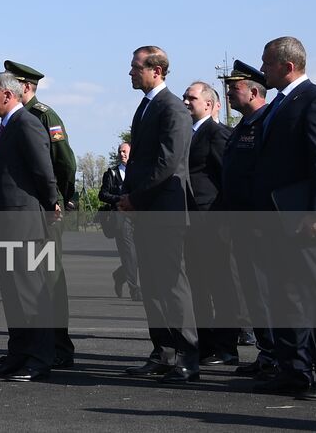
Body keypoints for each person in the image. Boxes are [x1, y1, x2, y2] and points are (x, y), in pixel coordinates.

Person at [250, 36, 316, 400]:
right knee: (285, 296)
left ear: (287, 66)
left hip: (305, 220)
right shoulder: (280, 103)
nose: (261, 70)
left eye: (266, 63)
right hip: (277, 220)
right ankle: (295, 369)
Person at [119, 46, 200, 383]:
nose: (131, 73)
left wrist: (136, 197)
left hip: (163, 209)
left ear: (156, 69)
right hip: (147, 210)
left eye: (136, 67)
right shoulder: (147, 106)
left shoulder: (171, 108)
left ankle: (188, 355)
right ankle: (163, 352)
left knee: (171, 284)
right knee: (152, 285)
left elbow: (168, 163)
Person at [0, 72, 60, 382]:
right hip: (6, 224)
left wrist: (50, 203)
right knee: (13, 294)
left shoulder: (26, 123)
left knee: (29, 293)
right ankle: (18, 354)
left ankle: (38, 358)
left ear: (7, 95)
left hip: (22, 224)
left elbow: (44, 170)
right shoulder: (8, 125)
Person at [2, 60, 77, 367]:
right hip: (29, 211)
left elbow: (65, 162)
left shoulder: (42, 115)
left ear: (26, 87)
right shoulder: (15, 117)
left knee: (49, 279)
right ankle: (38, 345)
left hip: (45, 211)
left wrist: (61, 199)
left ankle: (58, 346)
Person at [218, 59, 277, 379]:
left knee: (267, 292)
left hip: (260, 224)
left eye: (234, 88)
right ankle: (267, 353)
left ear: (255, 91)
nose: (228, 92)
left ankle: (279, 356)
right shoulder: (243, 125)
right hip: (240, 223)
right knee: (253, 292)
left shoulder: (267, 121)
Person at [181, 81, 239, 366]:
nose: (186, 102)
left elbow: (227, 179)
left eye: (191, 98)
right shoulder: (187, 135)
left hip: (212, 222)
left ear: (208, 103)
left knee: (221, 285)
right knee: (198, 285)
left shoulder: (216, 134)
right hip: (191, 223)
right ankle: (204, 343)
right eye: (184, 97)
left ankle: (226, 346)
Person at [99, 142, 141, 301]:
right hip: (120, 218)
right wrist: (119, 199)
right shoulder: (111, 173)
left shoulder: (138, 172)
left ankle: (119, 275)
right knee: (129, 254)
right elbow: (102, 194)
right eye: (119, 151)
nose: (122, 154)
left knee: (139, 255)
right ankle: (134, 290)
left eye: (125, 151)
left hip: (138, 218)